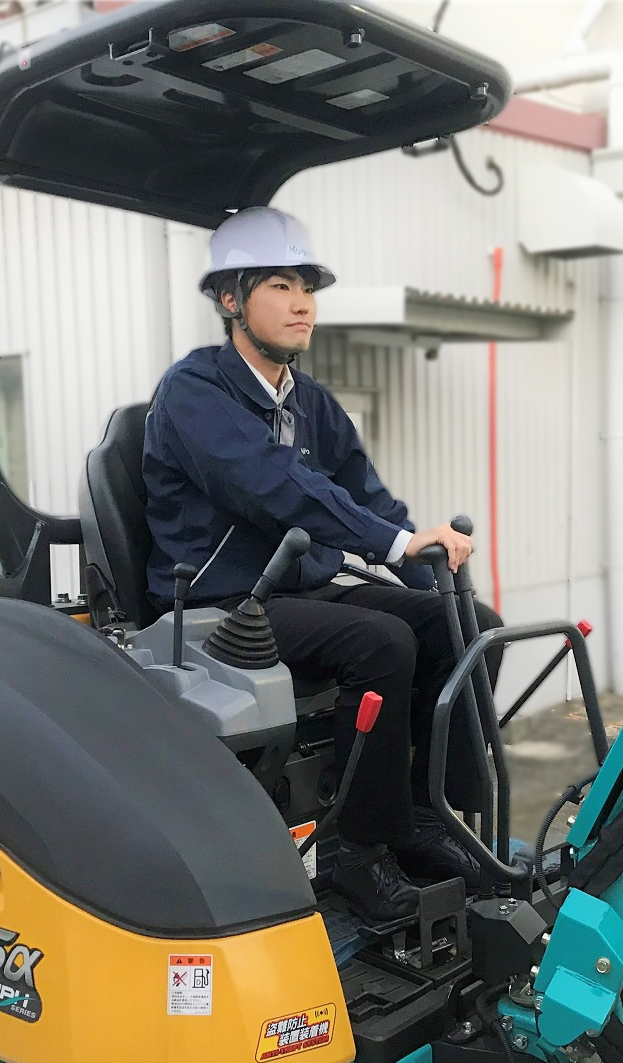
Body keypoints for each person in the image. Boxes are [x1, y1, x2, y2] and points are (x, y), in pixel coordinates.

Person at [142, 207, 502, 924]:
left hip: (298, 597)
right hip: (221, 609)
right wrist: (392, 544)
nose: (303, 303)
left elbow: (366, 497)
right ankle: (361, 856)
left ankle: (429, 818)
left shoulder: (310, 403)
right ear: (230, 298)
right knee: (382, 643)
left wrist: (431, 572)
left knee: (470, 626)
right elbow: (275, 487)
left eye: (308, 287)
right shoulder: (194, 393)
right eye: (280, 285)